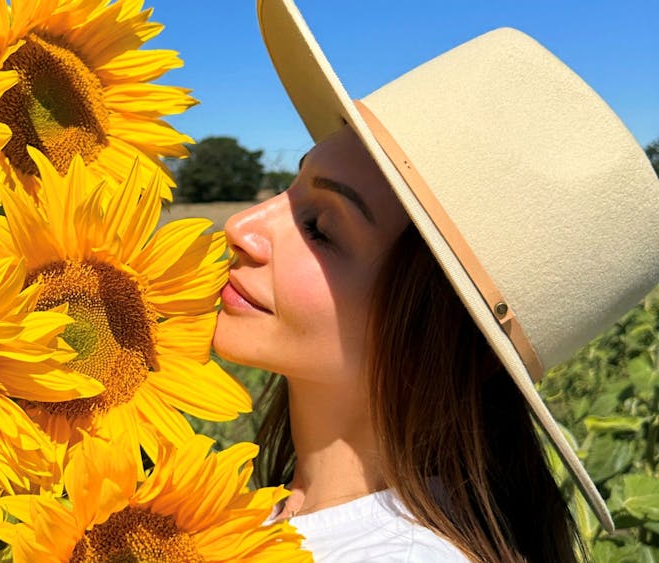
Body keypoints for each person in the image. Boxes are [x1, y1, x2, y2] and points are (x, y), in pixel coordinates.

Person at [212, 0, 659, 561]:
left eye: (320, 227)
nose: (240, 227)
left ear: (436, 330)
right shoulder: (279, 515)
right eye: (289, 188)